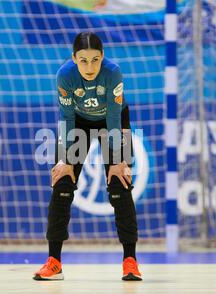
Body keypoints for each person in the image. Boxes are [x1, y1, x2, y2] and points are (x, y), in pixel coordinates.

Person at [33, 32, 142, 281]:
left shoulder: (113, 73)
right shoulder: (65, 75)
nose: (90, 66)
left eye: (95, 59)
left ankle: (130, 261)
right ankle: (54, 262)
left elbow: (114, 117)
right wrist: (66, 161)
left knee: (120, 184)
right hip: (77, 122)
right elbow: (67, 117)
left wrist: (117, 162)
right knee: (61, 181)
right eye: (83, 60)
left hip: (113, 121)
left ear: (102, 57)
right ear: (74, 59)